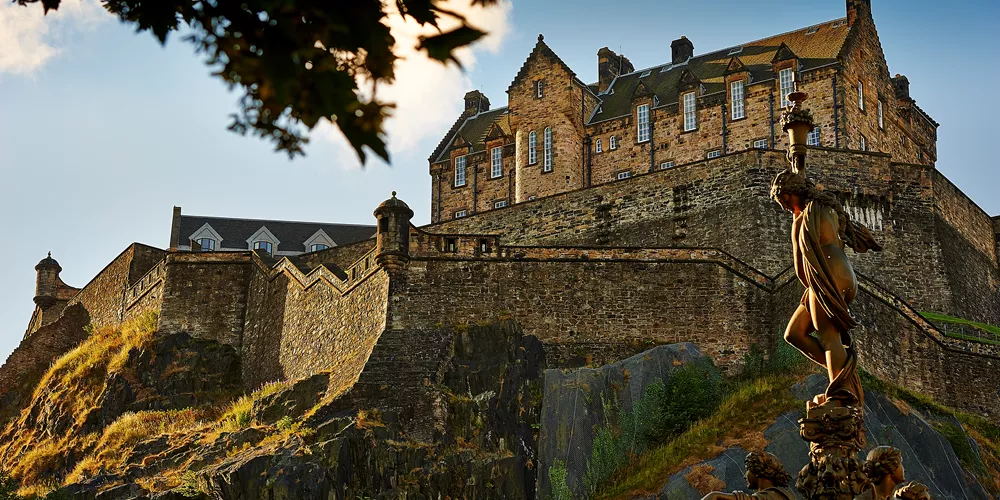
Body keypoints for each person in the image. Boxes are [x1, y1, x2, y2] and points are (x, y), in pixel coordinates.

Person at [770, 169, 882, 407]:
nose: (784, 208)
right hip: (846, 276)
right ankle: (843, 377)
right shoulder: (829, 210)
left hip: (826, 275)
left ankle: (840, 394)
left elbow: (801, 269)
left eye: (783, 201)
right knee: (794, 333)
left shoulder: (801, 218)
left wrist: (814, 288)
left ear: (788, 195)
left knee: (829, 337)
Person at [700, 451, 795, 500]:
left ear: (758, 471)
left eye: (747, 470)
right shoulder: (780, 494)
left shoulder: (773, 496)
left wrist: (716, 495)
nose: (745, 476)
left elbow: (713, 497)